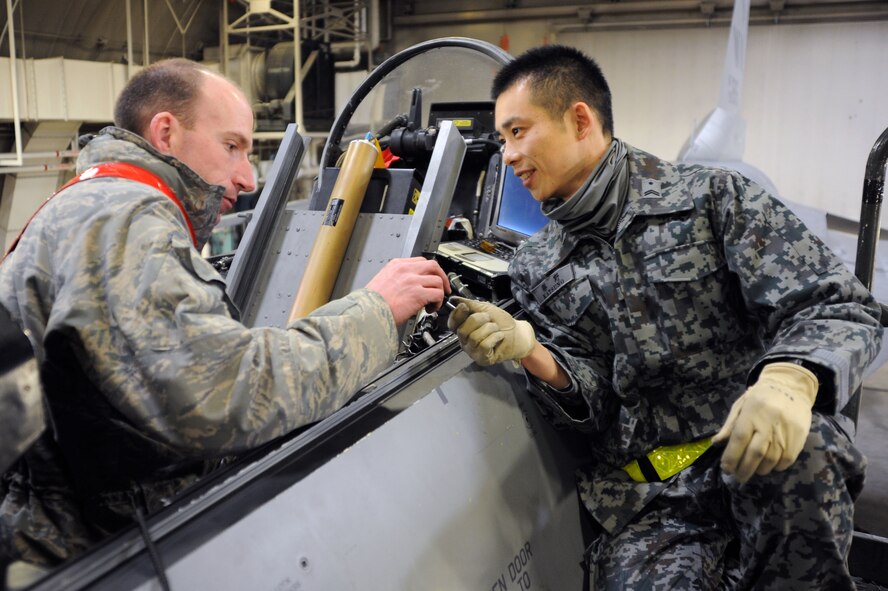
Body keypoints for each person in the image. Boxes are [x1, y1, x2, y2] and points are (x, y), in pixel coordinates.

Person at [447, 45, 882, 589]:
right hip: (655, 498)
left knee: (809, 455)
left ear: (579, 119)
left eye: (518, 132)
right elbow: (599, 403)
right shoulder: (537, 262)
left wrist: (789, 379)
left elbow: (838, 305)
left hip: (761, 455)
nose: (507, 155)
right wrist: (531, 350)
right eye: (502, 139)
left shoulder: (712, 201)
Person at [0, 58, 449, 569]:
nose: (246, 177)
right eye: (231, 146)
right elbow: (231, 394)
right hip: (107, 554)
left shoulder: (79, 204)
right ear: (166, 132)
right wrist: (376, 309)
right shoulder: (130, 222)